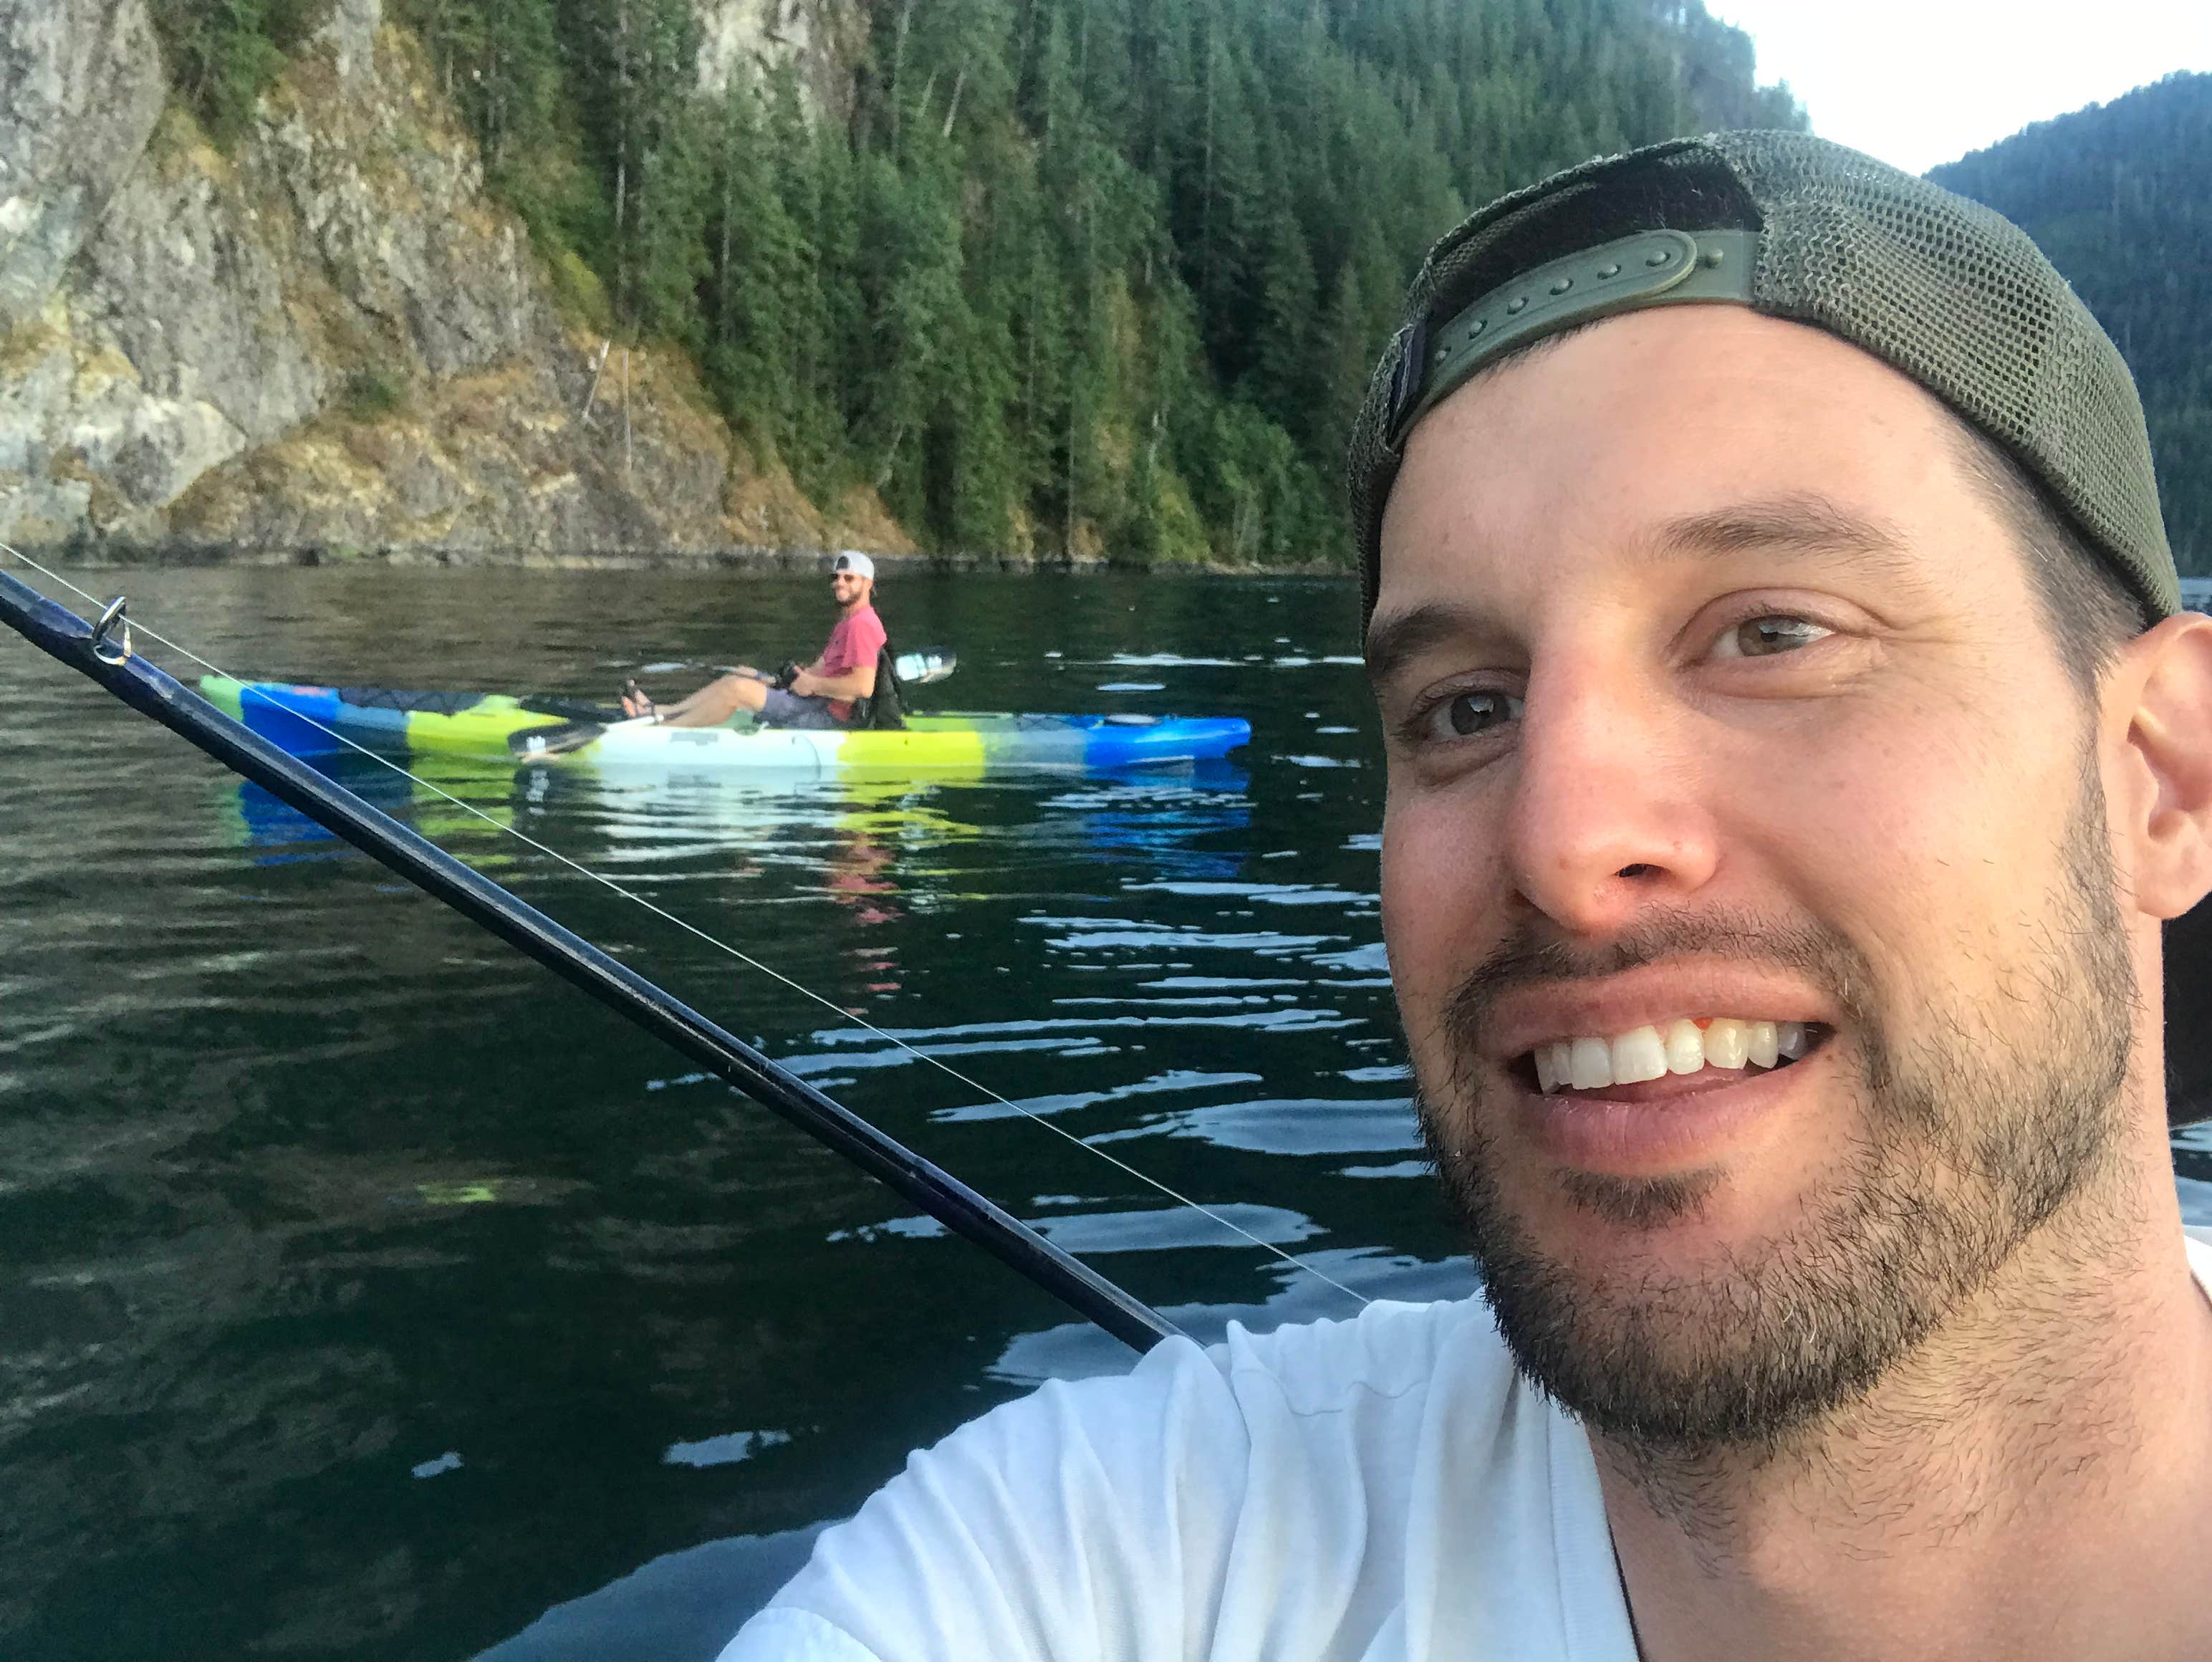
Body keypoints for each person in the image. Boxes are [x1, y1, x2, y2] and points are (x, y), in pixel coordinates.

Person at [721, 133, 2212, 1662]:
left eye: (1770, 630)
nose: (1560, 838)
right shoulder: (1102, 1564)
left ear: (2160, 776)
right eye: (1463, 707)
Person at [625, 552, 887, 730]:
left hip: (826, 717)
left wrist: (814, 684)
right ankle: (660, 710)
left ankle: (663, 729)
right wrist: (796, 677)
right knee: (741, 674)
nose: (838, 583)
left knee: (737, 690)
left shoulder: (862, 624)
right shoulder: (848, 620)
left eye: (848, 578)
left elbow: (863, 687)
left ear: (867, 583)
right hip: (812, 699)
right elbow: (824, 668)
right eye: (836, 577)